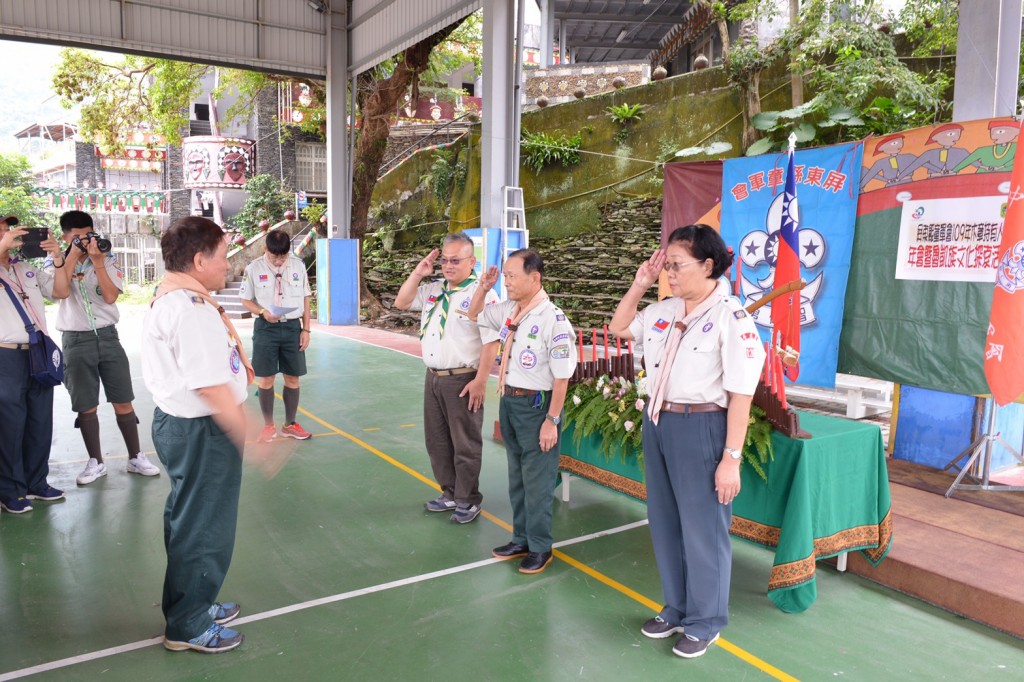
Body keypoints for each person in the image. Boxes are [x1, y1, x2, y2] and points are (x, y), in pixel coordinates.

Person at [608, 225, 765, 659]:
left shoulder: (731, 318)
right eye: (667, 265)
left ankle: (706, 620)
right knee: (665, 522)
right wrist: (640, 284)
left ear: (708, 265)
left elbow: (741, 395)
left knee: (703, 531)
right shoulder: (664, 309)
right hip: (659, 423)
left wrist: (730, 458)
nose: (670, 273)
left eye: (677, 265)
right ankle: (677, 607)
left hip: (702, 427)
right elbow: (620, 327)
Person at [141, 216, 253, 653]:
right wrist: (248, 429)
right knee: (205, 525)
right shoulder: (190, 310)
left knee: (188, 519)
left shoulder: (175, 297)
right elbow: (209, 385)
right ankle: (188, 625)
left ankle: (193, 603)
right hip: (202, 429)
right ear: (199, 259)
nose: (228, 266)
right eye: (224, 257)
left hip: (181, 425)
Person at [469, 249, 577, 574]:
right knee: (516, 477)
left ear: (535, 277)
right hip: (510, 401)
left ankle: (540, 547)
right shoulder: (510, 310)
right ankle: (521, 539)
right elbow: (474, 314)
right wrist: (483, 288)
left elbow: (562, 377)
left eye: (512, 275)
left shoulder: (553, 320)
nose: (508, 281)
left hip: (537, 407)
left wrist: (551, 421)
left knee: (538, 481)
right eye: (505, 275)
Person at [46, 210, 160, 484]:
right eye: (76, 237)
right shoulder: (54, 263)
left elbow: (110, 296)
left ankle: (135, 456)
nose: (84, 242)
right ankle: (95, 462)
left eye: (87, 235)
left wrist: (97, 262)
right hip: (75, 340)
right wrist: (70, 256)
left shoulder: (107, 259)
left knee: (123, 399)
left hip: (108, 337)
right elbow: (58, 292)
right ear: (65, 236)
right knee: (86, 405)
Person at [393, 232, 500, 524]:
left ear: (471, 261)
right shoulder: (434, 289)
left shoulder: (484, 294)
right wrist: (419, 272)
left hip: (463, 378)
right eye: (445, 260)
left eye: (456, 260)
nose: (449, 266)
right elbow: (401, 302)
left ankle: (468, 499)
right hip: (434, 377)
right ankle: (450, 492)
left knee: (464, 443)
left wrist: (480, 380)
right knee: (437, 441)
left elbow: (492, 341)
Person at [0, 216, 65, 513]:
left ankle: (37, 482)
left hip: (37, 352)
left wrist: (58, 257)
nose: (11, 236)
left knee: (40, 419)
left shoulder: (25, 269)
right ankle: (10, 490)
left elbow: (61, 292)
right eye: (3, 232)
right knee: (11, 424)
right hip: (6, 355)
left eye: (11, 230)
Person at [238, 229, 313, 442]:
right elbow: (245, 299)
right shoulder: (253, 269)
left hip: (292, 329)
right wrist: (262, 312)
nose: (279, 261)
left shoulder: (298, 265)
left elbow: (306, 298)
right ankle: (268, 426)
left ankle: (290, 424)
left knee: (292, 376)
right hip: (266, 328)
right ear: (266, 250)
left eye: (283, 256)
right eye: (274, 256)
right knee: (266, 378)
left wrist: (306, 330)